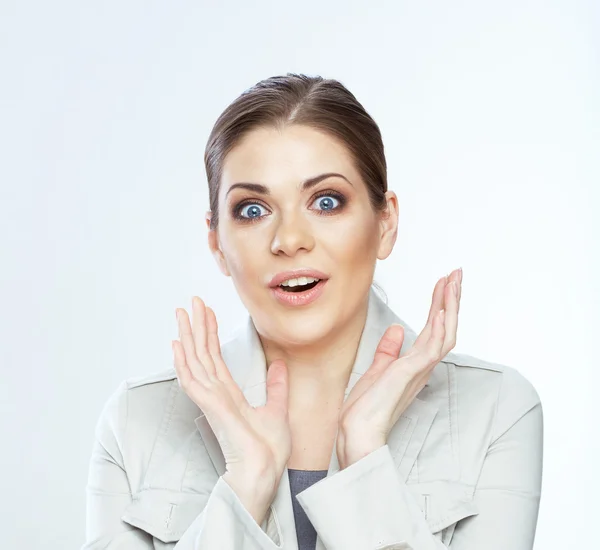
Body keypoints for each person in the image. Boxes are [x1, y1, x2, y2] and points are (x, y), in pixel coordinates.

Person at [81, 73, 543, 550]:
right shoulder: (136, 422)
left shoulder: (494, 409)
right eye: (253, 210)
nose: (289, 240)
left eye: (326, 201)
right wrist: (246, 486)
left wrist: (365, 460)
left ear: (385, 222)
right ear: (216, 242)